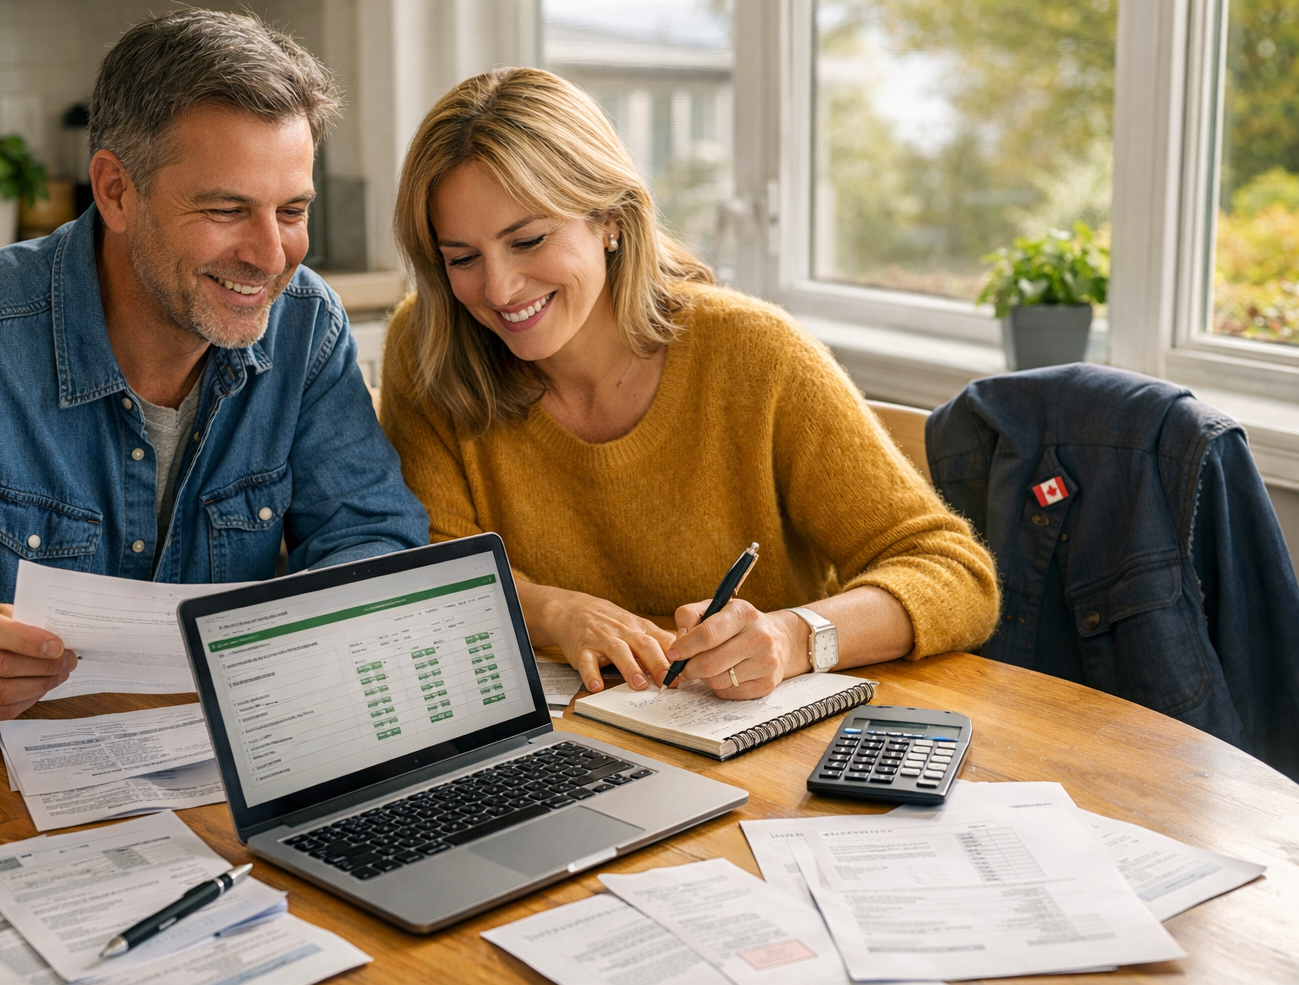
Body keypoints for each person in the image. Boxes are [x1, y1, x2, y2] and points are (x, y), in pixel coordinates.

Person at [0, 10, 427, 726]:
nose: (271, 257)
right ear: (114, 190)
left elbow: (371, 539)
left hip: (227, 772)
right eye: (227, 209)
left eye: (291, 210)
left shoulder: (307, 325)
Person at [380, 67, 998, 698]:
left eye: (529, 240)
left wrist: (792, 637)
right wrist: (555, 612)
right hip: (570, 748)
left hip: (759, 748)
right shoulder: (431, 343)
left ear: (610, 219)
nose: (499, 289)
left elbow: (955, 574)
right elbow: (431, 572)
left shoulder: (753, 353)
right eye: (462, 258)